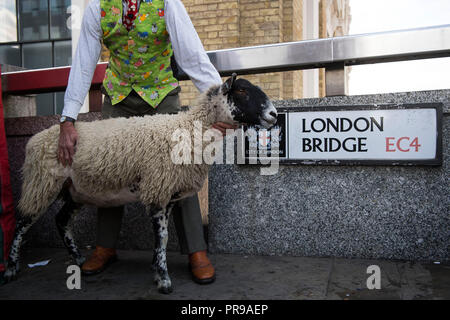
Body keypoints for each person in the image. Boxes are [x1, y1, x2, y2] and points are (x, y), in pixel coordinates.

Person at [58, 0, 234, 284]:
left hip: (160, 96)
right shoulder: (97, 7)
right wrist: (68, 119)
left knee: (181, 164)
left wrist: (221, 107)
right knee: (110, 165)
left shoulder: (167, 3)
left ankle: (196, 251)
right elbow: (83, 63)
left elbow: (192, 57)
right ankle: (105, 246)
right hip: (118, 97)